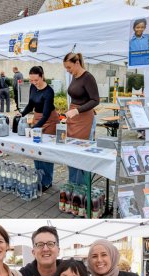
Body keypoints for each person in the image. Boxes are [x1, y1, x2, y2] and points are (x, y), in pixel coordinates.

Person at [17, 66, 60, 190]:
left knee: (45, 151)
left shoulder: (49, 91)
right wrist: (22, 113)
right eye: (31, 80)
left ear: (42, 76)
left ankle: (47, 181)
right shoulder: (32, 87)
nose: (34, 83)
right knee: (36, 149)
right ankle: (38, 177)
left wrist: (33, 128)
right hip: (37, 118)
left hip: (49, 120)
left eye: (36, 80)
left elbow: (46, 115)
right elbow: (31, 104)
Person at [62, 52, 100, 187]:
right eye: (66, 68)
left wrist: (77, 110)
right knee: (71, 153)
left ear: (77, 63)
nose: (68, 70)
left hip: (84, 119)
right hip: (73, 118)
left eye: (69, 67)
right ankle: (72, 184)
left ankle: (82, 188)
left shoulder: (88, 78)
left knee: (81, 154)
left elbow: (96, 100)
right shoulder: (75, 76)